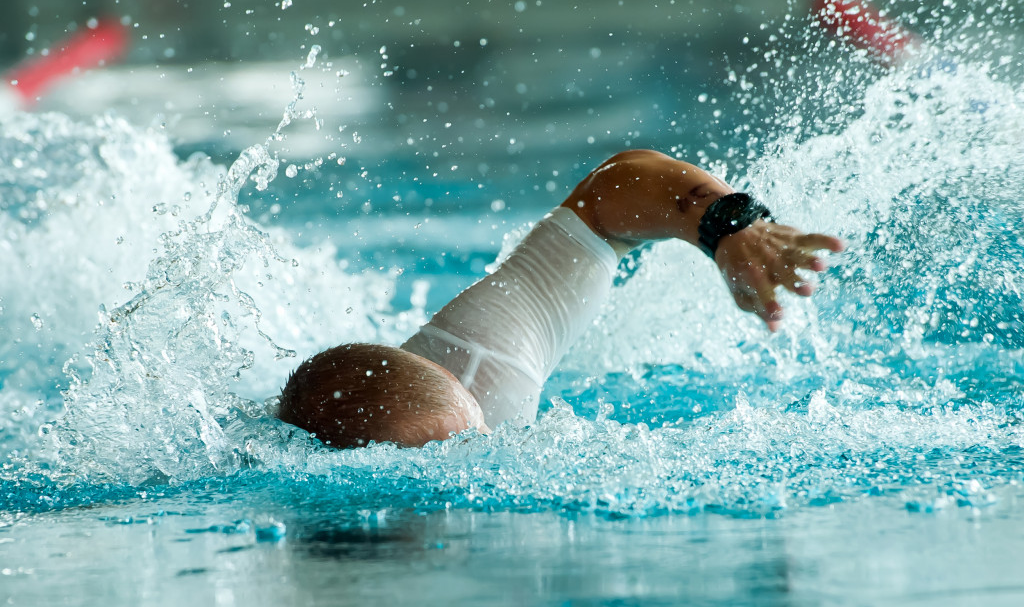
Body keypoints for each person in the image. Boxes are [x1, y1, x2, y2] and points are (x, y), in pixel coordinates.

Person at [277, 149, 844, 448]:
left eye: (472, 438)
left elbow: (605, 200)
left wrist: (728, 225)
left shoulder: (483, 372)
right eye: (448, 457)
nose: (477, 462)